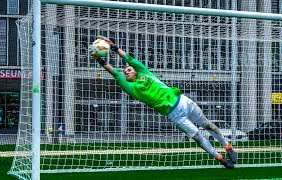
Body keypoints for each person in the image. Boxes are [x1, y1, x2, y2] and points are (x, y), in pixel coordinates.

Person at [90, 36, 237, 169]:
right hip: (174, 115)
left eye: (128, 69)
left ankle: (227, 147)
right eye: (125, 72)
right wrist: (101, 61)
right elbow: (115, 73)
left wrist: (114, 47)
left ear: (135, 70)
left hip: (182, 101)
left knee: (208, 125)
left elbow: (129, 58)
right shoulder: (131, 88)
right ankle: (220, 158)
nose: (126, 72)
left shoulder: (145, 73)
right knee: (198, 138)